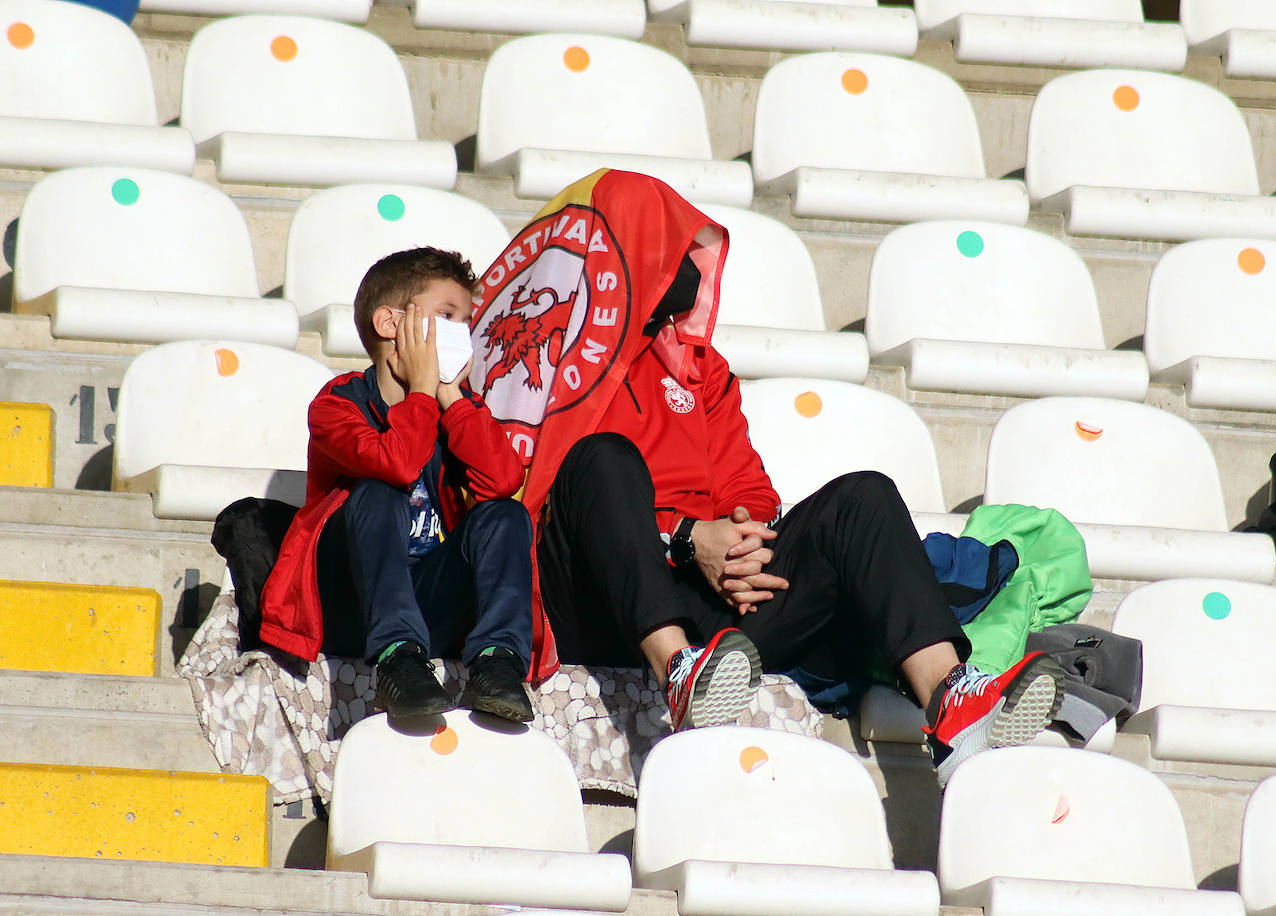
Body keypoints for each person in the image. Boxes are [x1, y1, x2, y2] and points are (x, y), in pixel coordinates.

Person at [468, 170, 1067, 786]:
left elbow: (747, 484)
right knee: (603, 456)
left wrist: (739, 540)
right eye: (668, 244)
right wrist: (684, 538)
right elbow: (536, 492)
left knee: (863, 497)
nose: (686, 265)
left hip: (717, 602)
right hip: (602, 600)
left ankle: (952, 702)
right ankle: (677, 675)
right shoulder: (549, 354)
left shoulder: (701, 369)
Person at [259, 247, 536, 723]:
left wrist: (451, 397)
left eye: (465, 321)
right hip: (351, 603)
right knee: (377, 488)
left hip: (427, 597)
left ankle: (498, 664)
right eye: (446, 317)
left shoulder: (454, 406)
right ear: (390, 323)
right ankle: (396, 661)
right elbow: (399, 465)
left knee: (505, 514)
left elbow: (502, 480)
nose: (461, 333)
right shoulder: (337, 405)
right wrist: (422, 391)